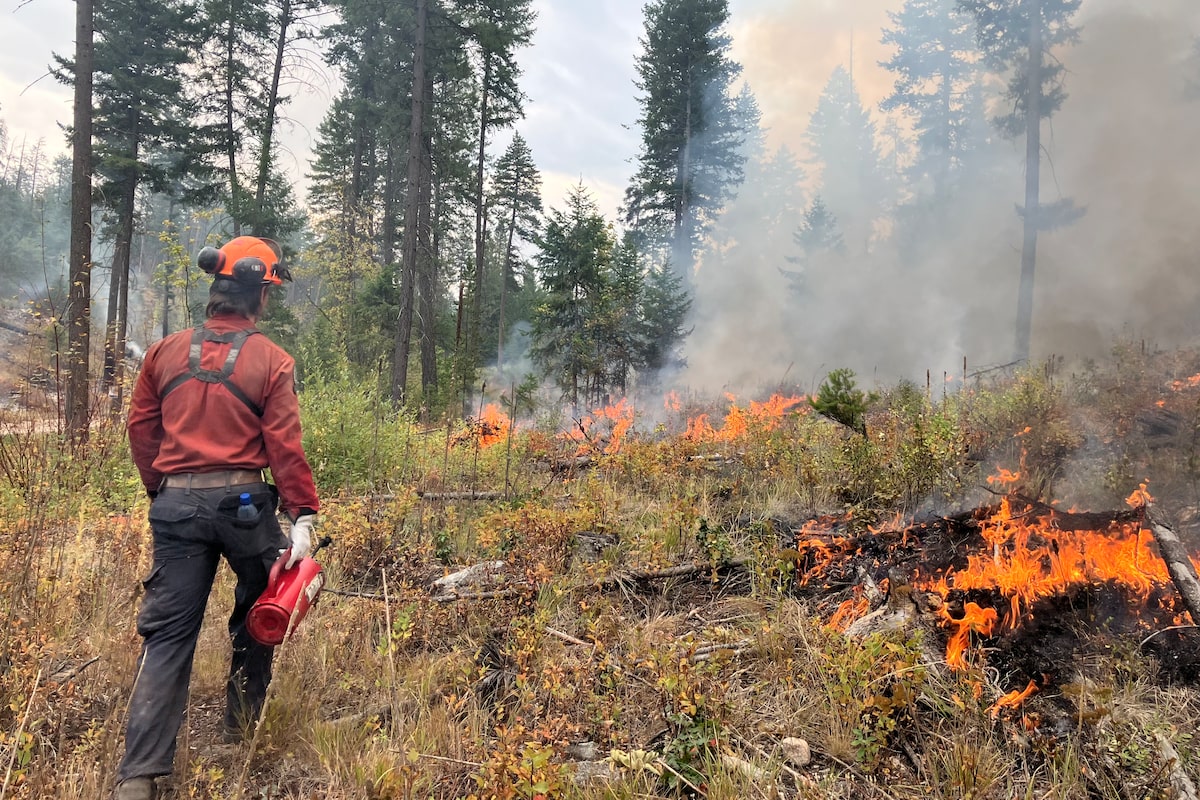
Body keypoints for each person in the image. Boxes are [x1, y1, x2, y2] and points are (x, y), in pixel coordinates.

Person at [114, 236, 320, 800]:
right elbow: (284, 444)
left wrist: (163, 490)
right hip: (245, 507)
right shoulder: (272, 360)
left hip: (175, 505)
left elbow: (140, 431)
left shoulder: (162, 352)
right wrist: (302, 514)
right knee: (264, 608)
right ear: (259, 298)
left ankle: (139, 775)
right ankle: (241, 729)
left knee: (168, 637)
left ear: (214, 292)